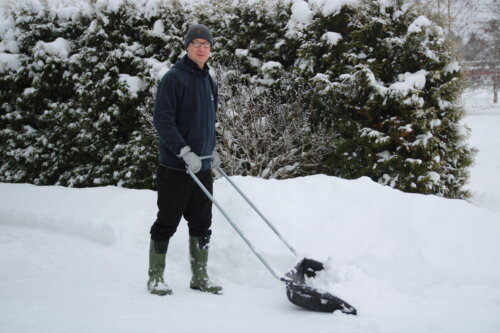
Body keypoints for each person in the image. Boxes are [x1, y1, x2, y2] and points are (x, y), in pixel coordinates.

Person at [147, 24, 222, 296]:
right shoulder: (174, 78)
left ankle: (199, 276)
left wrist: (211, 150)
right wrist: (183, 150)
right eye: (197, 43)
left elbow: (208, 120)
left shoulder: (208, 78)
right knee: (167, 221)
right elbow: (163, 120)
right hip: (176, 167)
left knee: (202, 222)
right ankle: (156, 277)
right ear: (187, 46)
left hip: (201, 166)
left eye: (206, 44)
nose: (202, 48)